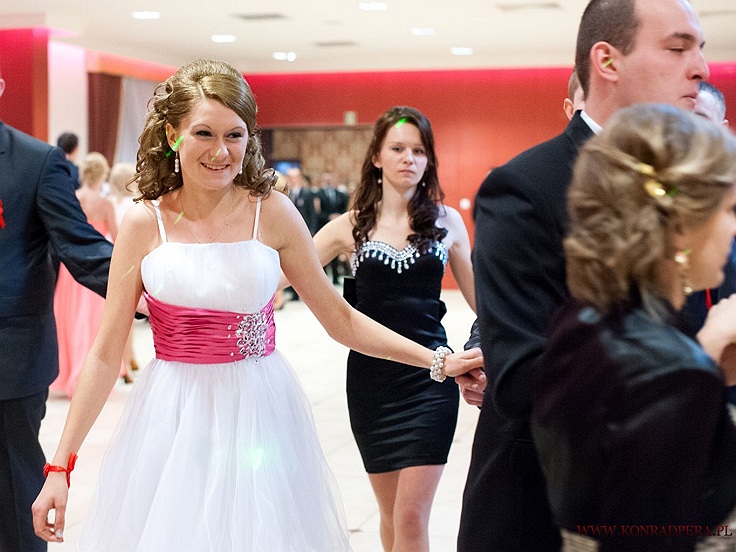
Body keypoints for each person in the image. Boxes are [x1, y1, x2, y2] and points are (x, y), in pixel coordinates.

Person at [31, 59, 482, 551]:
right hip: (171, 414)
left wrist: (438, 360)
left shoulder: (273, 213)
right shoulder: (144, 223)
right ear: (173, 135)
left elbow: (341, 319)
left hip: (258, 409)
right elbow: (104, 353)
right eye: (204, 133)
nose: (220, 151)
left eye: (235, 135)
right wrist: (60, 465)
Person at [458, 1, 710, 550]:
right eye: (677, 47)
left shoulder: (693, 186)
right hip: (548, 511)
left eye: (700, 48)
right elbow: (524, 378)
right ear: (608, 61)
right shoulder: (526, 188)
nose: (701, 67)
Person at [532, 103, 736, 551]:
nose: (734, 227)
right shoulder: (675, 375)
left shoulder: (582, 318)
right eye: (730, 209)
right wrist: (699, 368)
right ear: (681, 226)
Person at [306, 106, 476, 552]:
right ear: (377, 157)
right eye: (398, 149)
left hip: (432, 379)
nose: (409, 159)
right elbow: (283, 274)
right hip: (371, 385)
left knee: (410, 516)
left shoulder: (447, 222)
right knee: (389, 517)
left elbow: (486, 304)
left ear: (429, 159)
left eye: (418, 151)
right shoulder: (349, 226)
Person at [0, 70, 113, 552]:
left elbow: (82, 246)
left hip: (10, 359)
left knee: (12, 492)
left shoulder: (36, 161)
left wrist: (158, 287)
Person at [52, 152, 120, 398]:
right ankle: (87, 377)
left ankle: (71, 372)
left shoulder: (74, 198)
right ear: (102, 173)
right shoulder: (105, 204)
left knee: (69, 319)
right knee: (91, 323)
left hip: (72, 268)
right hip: (97, 266)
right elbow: (117, 238)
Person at [107, 162, 140, 373]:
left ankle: (126, 359)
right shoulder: (135, 205)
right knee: (129, 314)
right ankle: (129, 357)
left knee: (114, 316)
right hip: (130, 262)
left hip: (108, 260)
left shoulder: (109, 202)